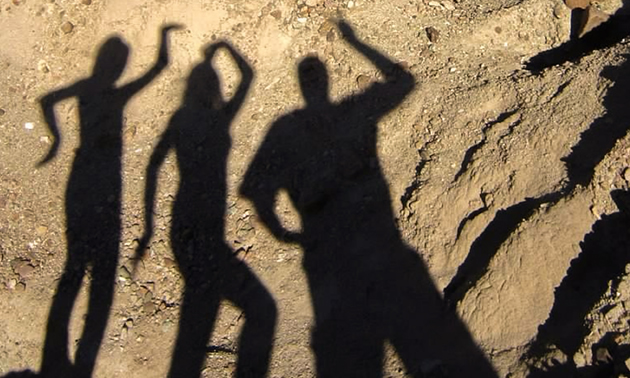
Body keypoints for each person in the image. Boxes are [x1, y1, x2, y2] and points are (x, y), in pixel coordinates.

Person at [240, 20, 497, 377]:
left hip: (335, 257)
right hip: (377, 246)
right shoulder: (349, 110)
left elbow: (255, 189)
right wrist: (356, 42)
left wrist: (282, 231)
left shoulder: (288, 125)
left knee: (347, 347)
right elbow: (404, 83)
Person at [38, 25, 179, 378]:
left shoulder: (86, 90)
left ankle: (53, 360)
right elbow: (160, 66)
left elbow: (46, 100)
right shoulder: (117, 94)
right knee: (100, 275)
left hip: (79, 178)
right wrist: (163, 35)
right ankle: (81, 363)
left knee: (73, 268)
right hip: (108, 186)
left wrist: (56, 141)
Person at [135, 41, 277, 378]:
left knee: (199, 325)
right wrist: (225, 48)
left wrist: (150, 226)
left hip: (189, 222)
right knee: (258, 311)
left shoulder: (184, 121)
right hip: (202, 232)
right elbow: (248, 76)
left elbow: (154, 166)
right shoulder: (218, 119)